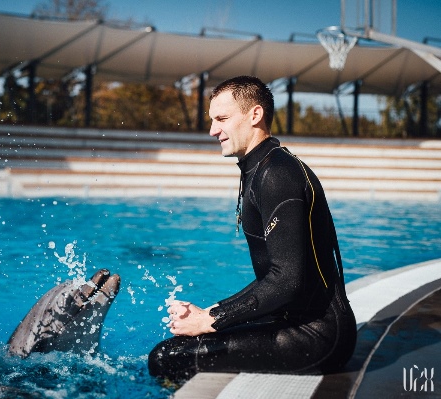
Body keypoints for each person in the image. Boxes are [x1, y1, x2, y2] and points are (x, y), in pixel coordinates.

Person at [148, 75, 356, 382]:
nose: (212, 130)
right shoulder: (262, 168)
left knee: (166, 358)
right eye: (212, 120)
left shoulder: (277, 175)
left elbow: (287, 280)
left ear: (255, 115)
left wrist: (213, 320)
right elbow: (276, 277)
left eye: (222, 119)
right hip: (290, 319)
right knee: (182, 344)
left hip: (315, 336)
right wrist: (210, 311)